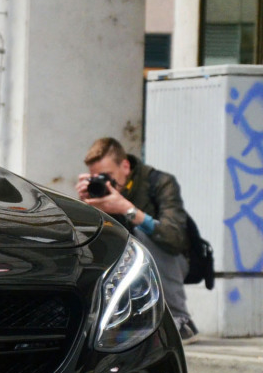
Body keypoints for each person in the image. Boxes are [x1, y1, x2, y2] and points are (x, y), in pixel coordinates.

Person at [76, 137, 198, 343]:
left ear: (125, 166)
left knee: (142, 237)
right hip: (129, 261)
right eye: (97, 178)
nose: (104, 183)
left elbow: (174, 238)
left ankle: (181, 319)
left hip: (175, 260)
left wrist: (127, 209)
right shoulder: (100, 196)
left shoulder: (160, 183)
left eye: (107, 176)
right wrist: (86, 207)